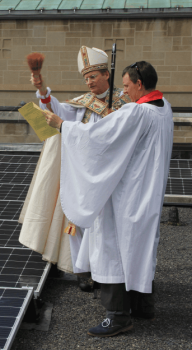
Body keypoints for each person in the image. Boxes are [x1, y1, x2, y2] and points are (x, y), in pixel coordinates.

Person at [43, 61, 173, 337]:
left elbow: (99, 137)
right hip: (148, 193)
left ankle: (117, 317)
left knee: (112, 250)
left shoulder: (137, 113)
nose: (124, 92)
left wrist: (63, 126)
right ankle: (142, 305)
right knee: (140, 249)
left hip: (126, 196)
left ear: (139, 84)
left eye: (126, 86)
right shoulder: (164, 107)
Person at [18, 46, 131, 291]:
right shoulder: (83, 105)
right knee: (77, 223)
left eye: (93, 77)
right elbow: (57, 113)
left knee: (109, 224)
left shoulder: (125, 103)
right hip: (84, 173)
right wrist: (41, 88)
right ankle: (82, 270)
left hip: (113, 174)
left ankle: (111, 270)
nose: (89, 82)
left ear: (106, 75)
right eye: (86, 78)